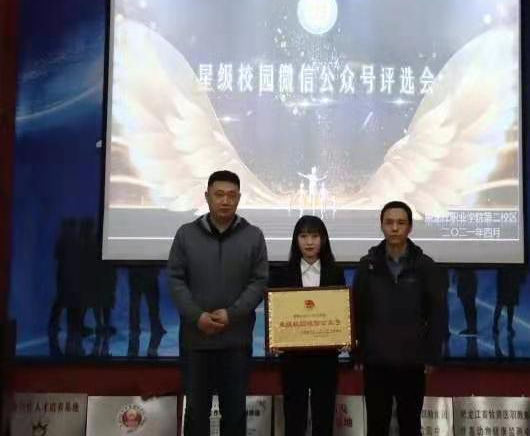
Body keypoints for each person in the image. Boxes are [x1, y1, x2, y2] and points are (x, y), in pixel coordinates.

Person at [167, 170, 269, 436]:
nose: (225, 201)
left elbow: (259, 282)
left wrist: (232, 314)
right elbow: (176, 280)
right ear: (207, 197)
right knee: (196, 414)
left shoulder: (253, 236)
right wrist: (197, 316)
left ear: (239, 199)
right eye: (219, 194)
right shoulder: (186, 234)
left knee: (235, 414)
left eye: (232, 196)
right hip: (196, 341)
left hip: (236, 341)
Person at [353, 201, 448, 436]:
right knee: (377, 425)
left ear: (410, 227)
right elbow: (357, 311)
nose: (394, 228)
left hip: (412, 360)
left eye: (401, 223)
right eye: (389, 222)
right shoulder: (367, 265)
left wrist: (431, 354)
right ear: (381, 226)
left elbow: (437, 312)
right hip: (376, 360)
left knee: (410, 424)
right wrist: (358, 352)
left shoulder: (425, 266)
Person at [270, 215, 345, 436]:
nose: (309, 242)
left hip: (326, 359)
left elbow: (340, 312)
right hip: (293, 360)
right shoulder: (282, 274)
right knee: (294, 419)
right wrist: (275, 339)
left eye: (314, 236)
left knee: (324, 418)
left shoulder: (335, 273)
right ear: (296, 240)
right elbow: (277, 315)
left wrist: (344, 335)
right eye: (303, 236)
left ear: (323, 240)